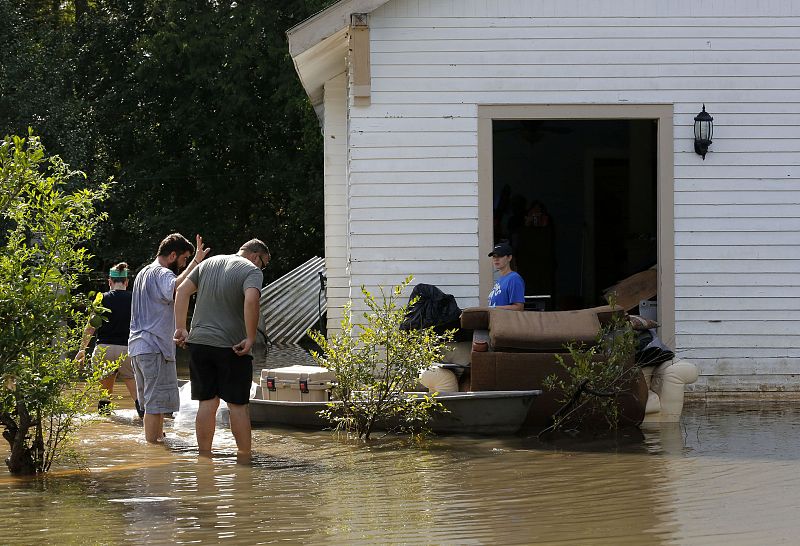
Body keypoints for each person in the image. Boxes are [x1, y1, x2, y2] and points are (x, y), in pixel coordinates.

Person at [173, 239, 269, 456]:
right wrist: (251, 338)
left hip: (199, 344)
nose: (262, 267)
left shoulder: (208, 263)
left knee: (207, 403)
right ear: (256, 256)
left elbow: (181, 291)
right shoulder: (252, 270)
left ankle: (204, 458)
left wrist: (181, 329)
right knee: (237, 405)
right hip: (232, 346)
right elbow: (252, 300)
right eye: (264, 263)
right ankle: (244, 459)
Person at [129, 233, 210, 443]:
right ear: (172, 255)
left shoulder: (142, 273)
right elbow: (177, 288)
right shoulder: (162, 273)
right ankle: (153, 455)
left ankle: (157, 443)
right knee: (155, 407)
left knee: (151, 405)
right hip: (154, 346)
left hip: (138, 347)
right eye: (184, 260)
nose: (183, 267)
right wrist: (197, 262)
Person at [76, 262, 139, 415]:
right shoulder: (135, 299)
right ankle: (147, 426)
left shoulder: (101, 298)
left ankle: (104, 422)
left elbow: (90, 327)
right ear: (126, 282)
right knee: (138, 395)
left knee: (105, 395)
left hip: (104, 349)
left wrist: (81, 350)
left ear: (109, 282)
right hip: (127, 350)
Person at [487, 242, 525, 311]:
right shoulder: (500, 280)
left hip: (507, 321)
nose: (496, 259)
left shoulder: (514, 278)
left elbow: (519, 307)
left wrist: (493, 308)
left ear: (509, 257)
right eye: (494, 256)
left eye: (500, 256)